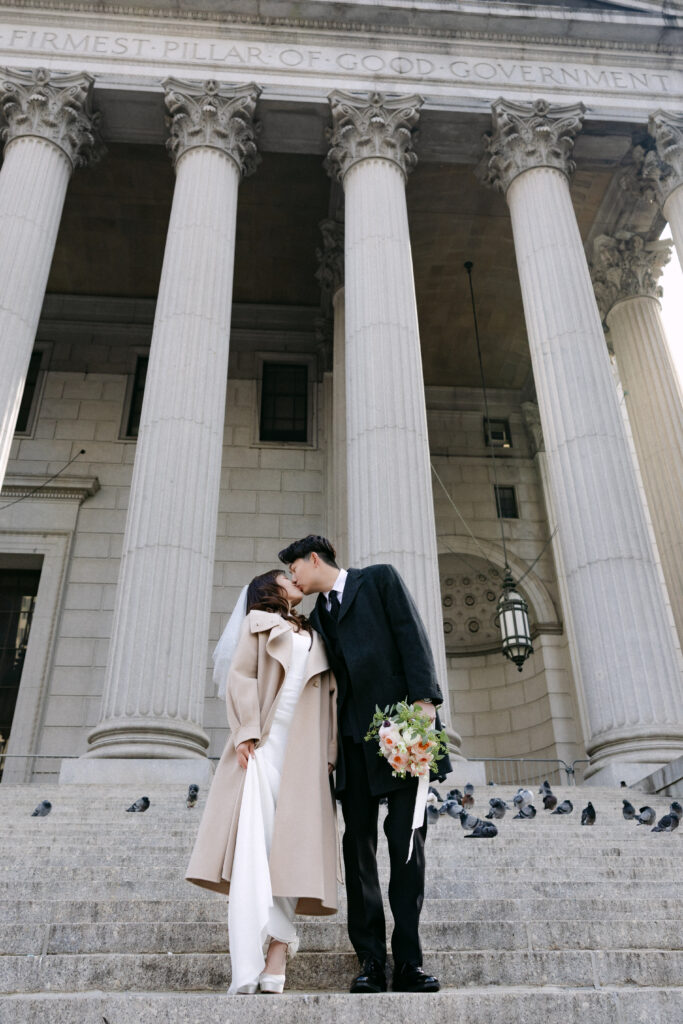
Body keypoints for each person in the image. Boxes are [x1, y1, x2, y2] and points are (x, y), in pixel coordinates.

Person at [278, 535, 451, 995]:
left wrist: (424, 704)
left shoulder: (379, 580)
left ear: (314, 559)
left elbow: (411, 635)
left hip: (403, 731)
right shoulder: (318, 618)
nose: (293, 575)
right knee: (358, 854)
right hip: (352, 749)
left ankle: (409, 963)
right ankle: (371, 961)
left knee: (406, 847)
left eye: (295, 566)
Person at [185, 569, 338, 995]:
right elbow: (242, 677)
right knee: (261, 845)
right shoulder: (257, 623)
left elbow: (330, 692)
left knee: (293, 851)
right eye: (285, 577)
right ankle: (254, 956)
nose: (295, 579)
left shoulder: (314, 629)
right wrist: (246, 731)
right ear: (270, 590)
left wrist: (329, 752)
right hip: (266, 743)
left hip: (305, 749)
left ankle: (277, 949)